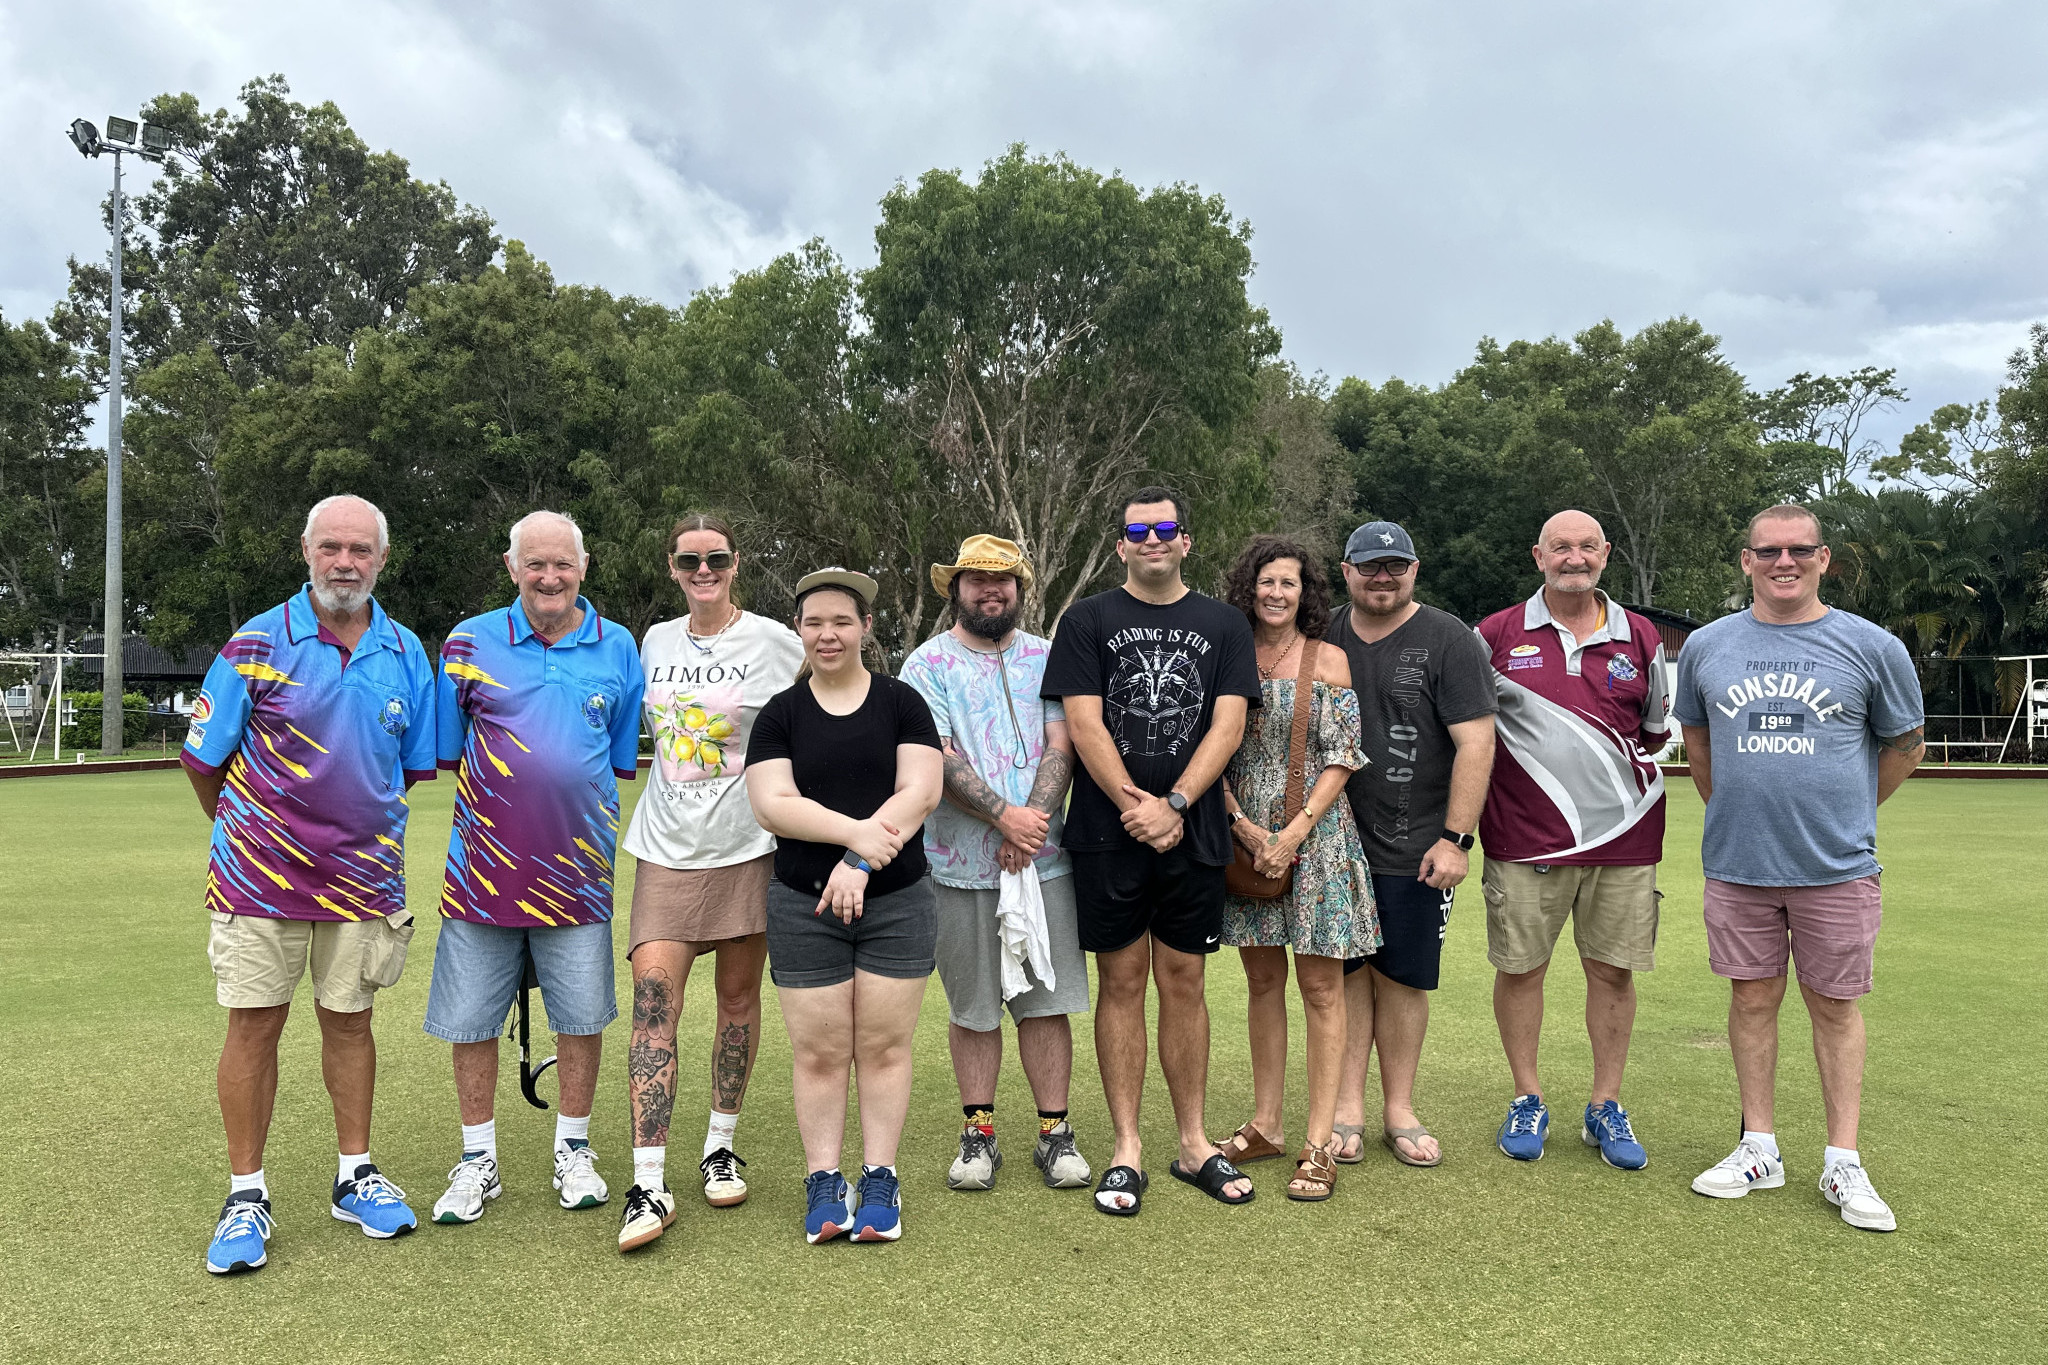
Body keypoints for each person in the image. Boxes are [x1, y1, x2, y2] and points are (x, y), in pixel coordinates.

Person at [184, 494, 437, 1275]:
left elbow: (410, 770)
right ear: (305, 551)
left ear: (382, 559)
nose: (345, 562)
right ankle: (246, 1194)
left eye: (360, 549)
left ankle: (354, 1174)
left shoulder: (404, 650)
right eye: (331, 547)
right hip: (258, 884)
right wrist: (250, 836)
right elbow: (203, 761)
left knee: (351, 1024)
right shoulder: (257, 640)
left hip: (362, 884)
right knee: (254, 1028)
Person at [1676, 504, 1924, 1232]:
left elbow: (1904, 748)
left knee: (1835, 1007)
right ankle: (1759, 1147)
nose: (1784, 561)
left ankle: (1843, 1157)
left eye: (1799, 550)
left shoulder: (1872, 646)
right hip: (1738, 863)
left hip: (1836, 865)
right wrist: (1739, 812)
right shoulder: (1708, 646)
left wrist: (1847, 811)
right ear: (1746, 561)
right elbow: (1699, 741)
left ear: (1824, 560)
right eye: (1768, 550)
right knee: (1751, 1000)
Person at [1041, 485, 1263, 1215]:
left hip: (1192, 830)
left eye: (1167, 527)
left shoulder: (1225, 623)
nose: (1154, 539)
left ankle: (1194, 1143)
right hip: (1109, 833)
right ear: (1121, 545)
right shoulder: (1088, 619)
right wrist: (1139, 806)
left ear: (1187, 540)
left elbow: (1227, 725)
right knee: (1122, 981)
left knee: (1185, 981)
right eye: (1139, 531)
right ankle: (1127, 1147)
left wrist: (1174, 805)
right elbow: (1084, 722)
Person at [424, 511, 644, 1228]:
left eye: (563, 564)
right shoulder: (467, 641)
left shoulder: (617, 646)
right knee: (469, 1022)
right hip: (482, 876)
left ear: (584, 566)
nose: (550, 577)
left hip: (579, 876)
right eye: (535, 564)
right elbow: (452, 753)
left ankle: (573, 1148)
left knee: (582, 1019)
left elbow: (614, 760)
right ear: (511, 567)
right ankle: (477, 1159)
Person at [614, 513, 802, 1252]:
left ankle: (719, 1144)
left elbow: (822, 701)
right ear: (671, 566)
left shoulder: (774, 641)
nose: (704, 569)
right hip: (665, 849)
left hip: (748, 848)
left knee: (737, 1000)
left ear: (735, 562)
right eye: (690, 559)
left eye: (716, 558)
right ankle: (648, 1179)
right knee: (653, 1003)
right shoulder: (653, 640)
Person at [745, 569, 944, 1243]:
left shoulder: (901, 702)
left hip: (898, 902)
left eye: (841, 621)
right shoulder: (781, 713)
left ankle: (880, 1176)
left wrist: (860, 863)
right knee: (821, 1051)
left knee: (884, 1047)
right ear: (799, 630)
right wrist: (853, 834)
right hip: (804, 906)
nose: (827, 634)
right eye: (813, 622)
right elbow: (774, 803)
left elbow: (920, 791)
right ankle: (824, 1180)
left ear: (864, 627)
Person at [1476, 510, 1671, 1169]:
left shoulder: (1642, 637)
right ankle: (1527, 1095)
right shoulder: (1495, 634)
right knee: (1521, 968)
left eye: (1587, 546)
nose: (1575, 557)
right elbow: (1472, 735)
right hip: (1525, 839)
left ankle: (1605, 1104)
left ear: (1606, 554)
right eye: (1561, 546)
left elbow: (1652, 733)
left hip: (1625, 839)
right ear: (1539, 555)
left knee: (1613, 972)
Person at [900, 535, 1092, 1194]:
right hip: (957, 865)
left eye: (1003, 580)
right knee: (975, 1006)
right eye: (977, 579)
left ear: (1020, 589)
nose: (991, 590)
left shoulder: (1049, 656)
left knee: (1045, 1001)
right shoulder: (926, 665)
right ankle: (979, 1133)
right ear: (955, 587)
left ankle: (1054, 1133)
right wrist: (1001, 817)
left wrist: (1029, 824)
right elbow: (938, 756)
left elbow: (1062, 744)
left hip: (1046, 864)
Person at [1325, 520, 1497, 1167]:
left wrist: (1456, 839)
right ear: (1347, 570)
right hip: (1333, 845)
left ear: (1414, 569)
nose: (1382, 576)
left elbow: (1476, 741)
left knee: (1401, 980)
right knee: (1344, 977)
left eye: (1394, 565)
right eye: (1369, 565)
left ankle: (1399, 1106)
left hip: (1417, 845)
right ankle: (1346, 1107)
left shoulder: (1447, 638)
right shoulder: (1324, 632)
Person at [1213, 536, 1379, 1203]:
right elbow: (1211, 753)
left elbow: (1343, 755)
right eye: (1264, 582)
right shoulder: (1225, 654)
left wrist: (1291, 834)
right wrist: (1245, 829)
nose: (1275, 593)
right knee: (1260, 982)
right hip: (1243, 836)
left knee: (1320, 988)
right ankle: (1267, 1123)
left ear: (1303, 590)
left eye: (1287, 582)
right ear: (1246, 588)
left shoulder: (1329, 657)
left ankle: (1319, 1140)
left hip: (1318, 836)